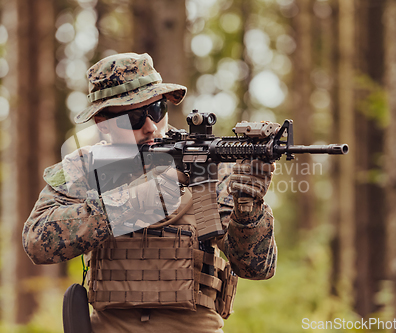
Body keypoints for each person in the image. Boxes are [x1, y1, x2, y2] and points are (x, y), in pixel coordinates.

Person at [23, 52, 277, 333]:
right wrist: (125, 206)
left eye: (157, 110)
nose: (151, 126)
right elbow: (36, 241)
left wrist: (248, 206)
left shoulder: (207, 166)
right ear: (102, 122)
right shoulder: (83, 169)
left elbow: (255, 267)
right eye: (133, 117)